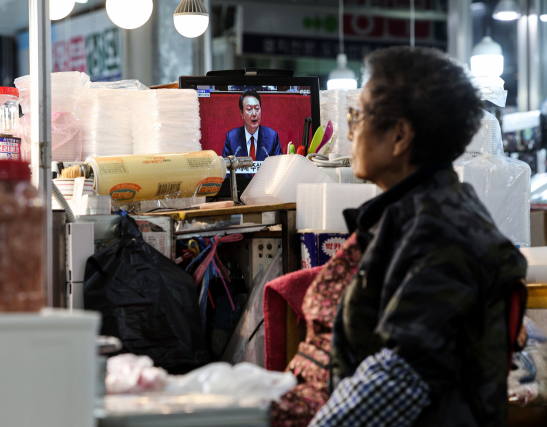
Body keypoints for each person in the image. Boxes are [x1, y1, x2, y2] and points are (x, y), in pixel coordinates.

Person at [273, 46, 528, 427]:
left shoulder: (442, 233)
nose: (351, 128)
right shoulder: (407, 217)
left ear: (400, 135)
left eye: (357, 115)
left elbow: (400, 375)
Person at [222, 89, 283, 160]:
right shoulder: (232, 138)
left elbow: (279, 167)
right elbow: (226, 167)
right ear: (241, 113)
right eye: (249, 109)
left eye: (257, 108)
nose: (254, 114)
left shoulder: (272, 137)